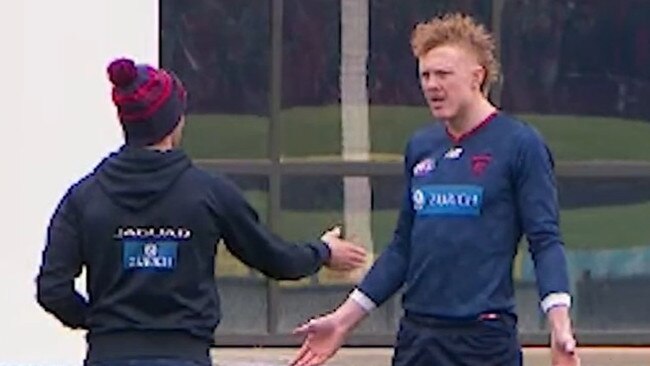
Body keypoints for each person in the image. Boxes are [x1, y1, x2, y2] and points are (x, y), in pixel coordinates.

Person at [290, 13, 580, 366]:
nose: (431, 85)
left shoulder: (520, 144)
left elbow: (545, 240)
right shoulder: (421, 147)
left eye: (443, 74)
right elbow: (402, 249)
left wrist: (560, 324)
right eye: (425, 75)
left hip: (483, 340)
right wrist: (343, 320)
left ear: (477, 77)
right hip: (418, 339)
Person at [35, 58, 367, 366]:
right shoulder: (208, 193)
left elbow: (52, 289)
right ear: (174, 120)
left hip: (110, 355)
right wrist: (322, 252)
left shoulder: (85, 197)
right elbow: (273, 257)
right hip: (184, 356)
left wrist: (101, 322)